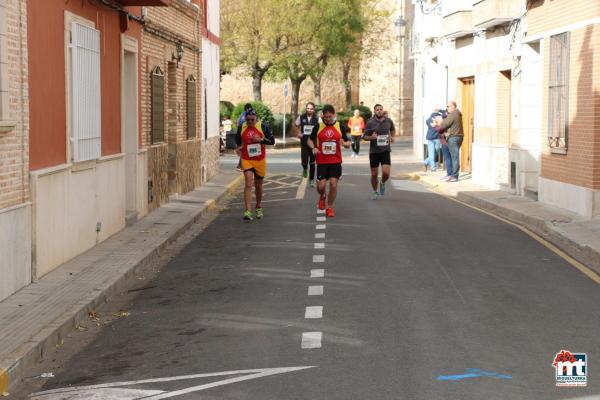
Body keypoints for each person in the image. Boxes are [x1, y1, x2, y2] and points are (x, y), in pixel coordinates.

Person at [307, 104, 351, 218]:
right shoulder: (318, 126)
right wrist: (314, 148)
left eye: (329, 116)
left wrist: (346, 144)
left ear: (334, 115)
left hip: (335, 161)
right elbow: (309, 140)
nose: (327, 119)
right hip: (321, 161)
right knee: (321, 187)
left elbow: (347, 142)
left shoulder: (339, 126)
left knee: (333, 184)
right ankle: (322, 196)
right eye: (325, 117)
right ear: (322, 116)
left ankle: (330, 207)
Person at [235, 108, 275, 221]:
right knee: (248, 182)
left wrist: (261, 140)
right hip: (247, 159)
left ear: (256, 119)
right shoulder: (242, 126)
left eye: (252, 120)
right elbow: (238, 138)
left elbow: (272, 141)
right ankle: (247, 211)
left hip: (259, 160)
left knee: (258, 186)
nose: (250, 122)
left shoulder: (263, 126)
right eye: (248, 120)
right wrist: (238, 147)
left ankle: (258, 205)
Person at [363, 104, 395, 200]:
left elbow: (392, 129)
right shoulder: (370, 122)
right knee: (374, 174)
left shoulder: (388, 121)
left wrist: (392, 137)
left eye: (381, 109)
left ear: (383, 110)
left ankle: (382, 183)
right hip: (374, 152)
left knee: (386, 173)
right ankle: (374, 191)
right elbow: (364, 136)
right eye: (377, 110)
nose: (379, 111)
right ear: (374, 111)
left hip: (385, 150)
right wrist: (371, 137)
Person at [438, 101, 464, 182]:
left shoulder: (453, 114)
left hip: (453, 137)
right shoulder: (458, 113)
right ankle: (452, 175)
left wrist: (440, 122)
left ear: (453, 106)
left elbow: (443, 125)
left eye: (448, 106)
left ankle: (454, 176)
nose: (447, 108)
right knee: (454, 156)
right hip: (459, 136)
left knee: (454, 157)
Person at [294, 102, 319, 186]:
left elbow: (322, 128)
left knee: (312, 162)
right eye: (308, 108)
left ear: (314, 109)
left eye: (311, 109)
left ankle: (311, 180)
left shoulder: (317, 118)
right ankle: (305, 168)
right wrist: (298, 132)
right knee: (304, 161)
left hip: (313, 143)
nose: (309, 110)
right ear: (306, 109)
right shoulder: (301, 117)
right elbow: (296, 125)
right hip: (304, 142)